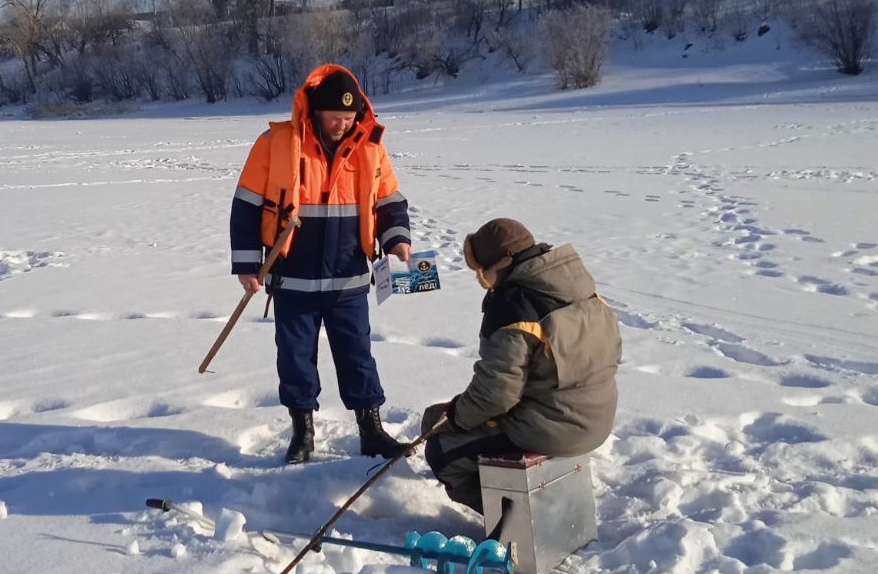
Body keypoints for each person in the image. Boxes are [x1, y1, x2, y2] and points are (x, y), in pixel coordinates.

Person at [230, 64, 413, 465]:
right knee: (294, 357)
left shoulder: (371, 146)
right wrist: (247, 263)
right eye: (334, 118)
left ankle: (371, 429)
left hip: (349, 277)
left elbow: (389, 200)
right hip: (293, 277)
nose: (342, 125)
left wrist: (396, 238)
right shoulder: (276, 143)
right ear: (314, 112)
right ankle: (302, 432)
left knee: (357, 355)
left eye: (348, 118)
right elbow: (246, 204)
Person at [420, 218, 621, 513]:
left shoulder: (512, 305)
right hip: (598, 419)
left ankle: (523, 521)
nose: (483, 281)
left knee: (442, 451)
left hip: (553, 429)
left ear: (497, 266)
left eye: (481, 273)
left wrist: (453, 418)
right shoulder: (578, 286)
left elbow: (495, 394)